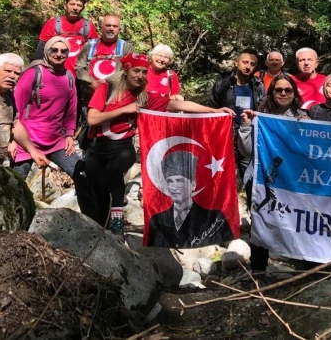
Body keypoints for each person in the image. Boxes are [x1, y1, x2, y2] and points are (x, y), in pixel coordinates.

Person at [84, 53, 233, 233]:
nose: (140, 76)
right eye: (136, 71)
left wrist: (214, 110)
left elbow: (178, 106)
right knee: (97, 186)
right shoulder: (106, 89)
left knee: (115, 170)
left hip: (123, 148)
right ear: (125, 72)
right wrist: (124, 110)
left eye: (144, 72)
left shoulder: (145, 97)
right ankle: (101, 225)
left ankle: (116, 220)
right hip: (98, 147)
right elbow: (92, 119)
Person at [238, 74, 309, 272]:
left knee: (295, 219)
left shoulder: (303, 117)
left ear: (294, 93)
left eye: (288, 90)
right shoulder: (260, 117)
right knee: (260, 221)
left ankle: (300, 266)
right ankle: (258, 269)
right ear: (271, 93)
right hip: (260, 178)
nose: (283, 93)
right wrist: (246, 125)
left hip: (292, 180)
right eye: (279, 90)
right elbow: (247, 150)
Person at [12, 37, 80, 179]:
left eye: (64, 51)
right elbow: (16, 107)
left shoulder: (69, 77)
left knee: (82, 175)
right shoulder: (33, 73)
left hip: (56, 140)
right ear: (46, 51)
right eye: (54, 50)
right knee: (16, 184)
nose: (59, 54)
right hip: (26, 140)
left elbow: (71, 110)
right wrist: (13, 140)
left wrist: (69, 134)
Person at [147, 150, 235, 248]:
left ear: (193, 184)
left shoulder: (214, 217)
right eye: (170, 181)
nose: (174, 186)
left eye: (179, 180)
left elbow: (227, 248)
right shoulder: (157, 220)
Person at [207, 48, 265, 180]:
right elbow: (211, 108)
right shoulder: (222, 85)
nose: (248, 66)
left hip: (248, 136)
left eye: (252, 64)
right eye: (245, 62)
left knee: (251, 178)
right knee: (223, 178)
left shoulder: (258, 85)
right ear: (236, 63)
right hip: (226, 136)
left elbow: (264, 109)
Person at [36, 0, 99, 74]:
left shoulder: (88, 26)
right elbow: (41, 49)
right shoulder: (52, 24)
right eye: (72, 4)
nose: (75, 8)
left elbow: (96, 51)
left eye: (79, 5)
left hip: (79, 76)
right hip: (53, 73)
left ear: (82, 8)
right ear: (65, 5)